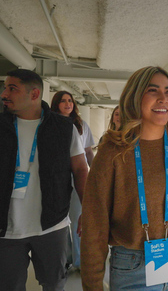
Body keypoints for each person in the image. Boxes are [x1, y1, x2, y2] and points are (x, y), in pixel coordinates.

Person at [81, 66, 168, 291]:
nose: (163, 98)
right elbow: (94, 224)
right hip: (132, 264)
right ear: (135, 97)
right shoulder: (112, 151)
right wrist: (92, 284)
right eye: (153, 91)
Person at [0, 69, 88, 290]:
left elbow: (80, 169)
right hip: (6, 229)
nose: (4, 94)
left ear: (34, 93)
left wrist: (88, 210)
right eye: (4, 88)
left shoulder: (64, 128)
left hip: (52, 225)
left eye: (12, 88)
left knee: (54, 283)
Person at [51, 90, 95, 272]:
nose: (68, 104)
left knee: (78, 219)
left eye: (70, 101)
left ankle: (79, 261)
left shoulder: (81, 125)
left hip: (79, 176)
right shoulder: (50, 125)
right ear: (56, 104)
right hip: (58, 177)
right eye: (63, 101)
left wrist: (97, 172)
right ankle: (67, 258)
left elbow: (88, 152)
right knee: (61, 220)